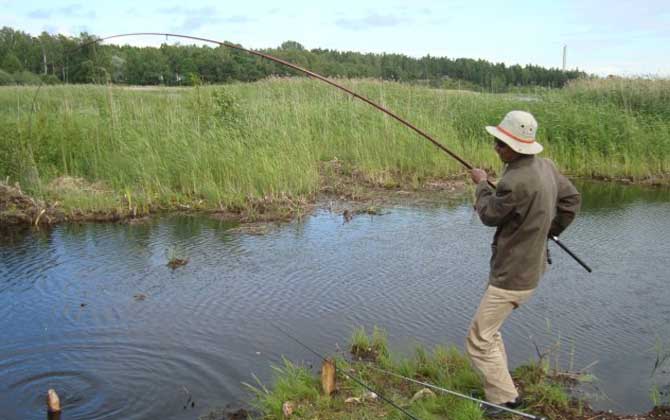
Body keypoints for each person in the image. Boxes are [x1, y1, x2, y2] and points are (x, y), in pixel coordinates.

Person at [466, 110, 581, 416]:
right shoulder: (546, 166)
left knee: (478, 339)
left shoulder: (514, 181)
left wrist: (480, 184)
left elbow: (490, 214)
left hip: (512, 276)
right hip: (531, 269)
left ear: (515, 148)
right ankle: (500, 391)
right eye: (496, 141)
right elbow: (571, 202)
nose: (495, 147)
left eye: (500, 143)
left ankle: (506, 402)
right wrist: (549, 230)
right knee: (491, 331)